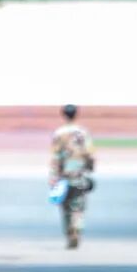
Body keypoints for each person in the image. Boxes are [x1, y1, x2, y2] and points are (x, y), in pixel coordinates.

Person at [50, 103, 95, 248]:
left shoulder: (59, 133)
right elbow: (90, 154)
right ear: (76, 114)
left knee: (65, 206)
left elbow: (55, 156)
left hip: (64, 175)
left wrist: (53, 176)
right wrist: (89, 168)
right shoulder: (83, 132)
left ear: (64, 115)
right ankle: (77, 228)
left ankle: (69, 233)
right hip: (79, 174)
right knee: (79, 205)